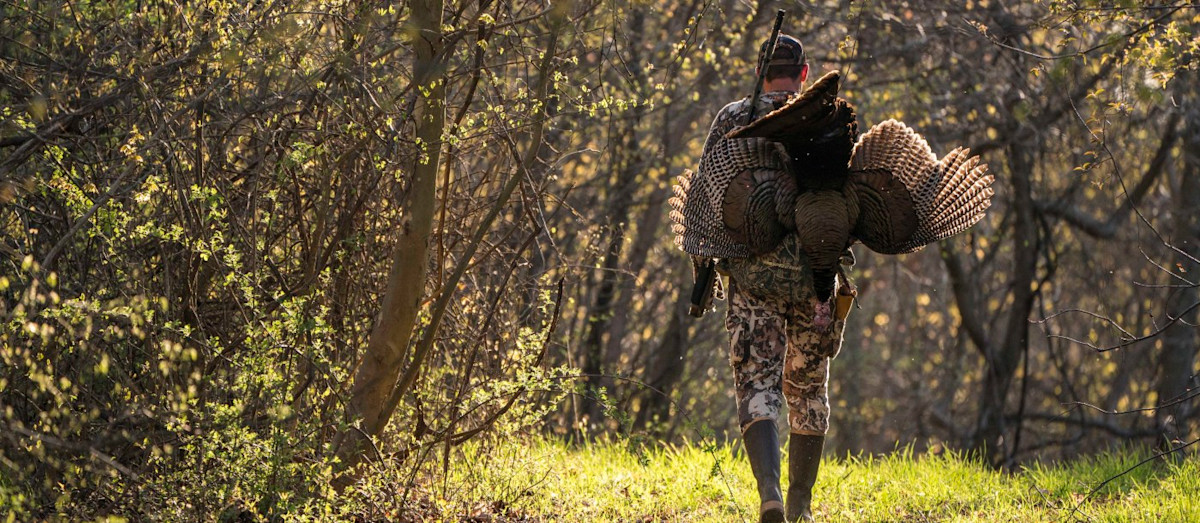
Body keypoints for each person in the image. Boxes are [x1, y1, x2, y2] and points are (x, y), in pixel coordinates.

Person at [696, 34, 853, 523]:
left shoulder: (733, 118)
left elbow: (706, 198)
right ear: (804, 73)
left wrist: (703, 273)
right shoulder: (835, 118)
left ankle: (771, 497)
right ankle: (802, 507)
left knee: (756, 382)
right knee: (808, 389)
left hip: (752, 278)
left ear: (761, 71)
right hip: (817, 278)